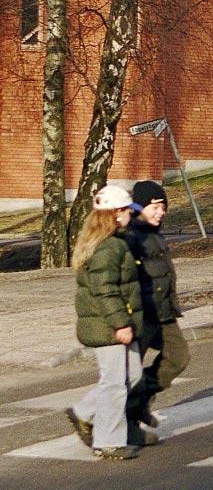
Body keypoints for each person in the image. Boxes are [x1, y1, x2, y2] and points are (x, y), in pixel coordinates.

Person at [65, 185, 144, 460]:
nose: (130, 216)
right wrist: (121, 324)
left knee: (132, 375)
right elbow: (105, 290)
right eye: (126, 211)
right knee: (114, 383)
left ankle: (84, 412)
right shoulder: (108, 247)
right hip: (107, 325)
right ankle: (108, 442)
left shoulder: (115, 241)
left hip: (115, 321)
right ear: (115, 213)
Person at [123, 180, 189, 442]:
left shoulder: (155, 233)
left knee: (178, 356)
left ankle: (139, 403)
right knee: (130, 374)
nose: (161, 212)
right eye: (155, 207)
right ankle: (127, 426)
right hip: (142, 315)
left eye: (163, 207)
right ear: (139, 207)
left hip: (163, 312)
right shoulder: (131, 237)